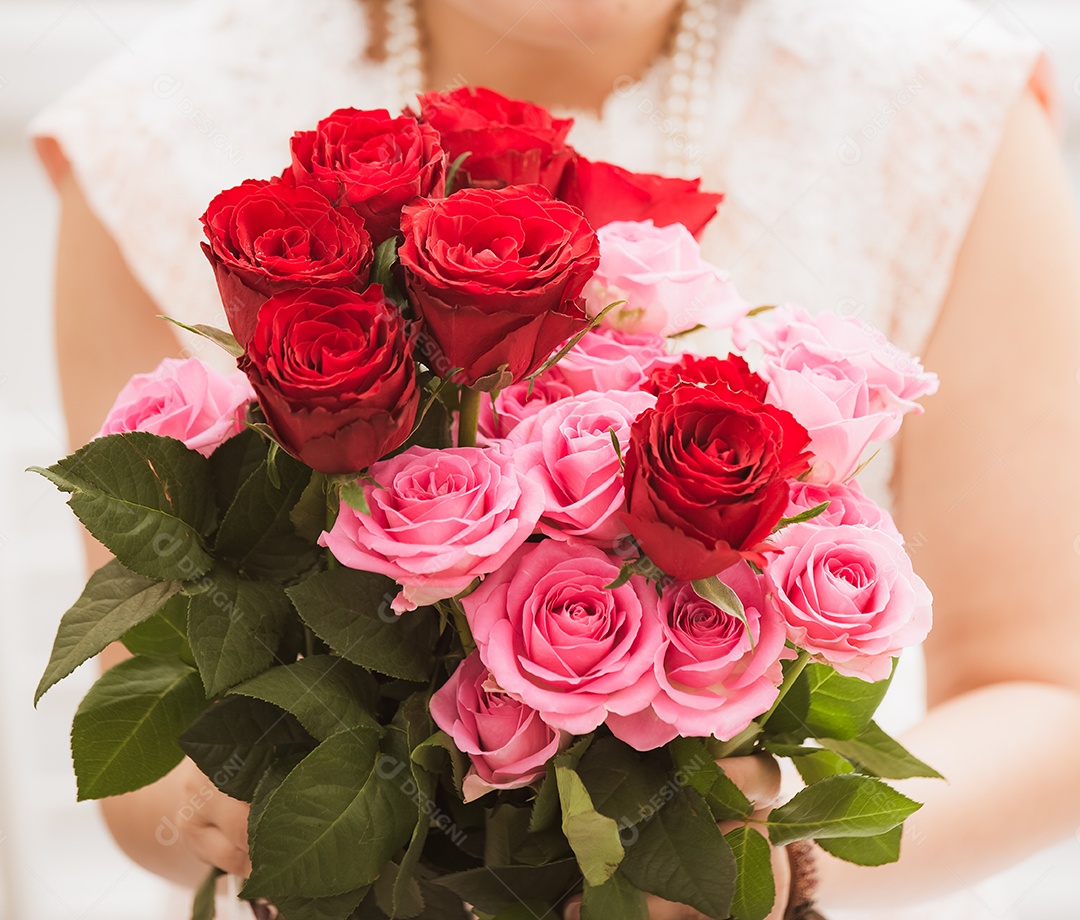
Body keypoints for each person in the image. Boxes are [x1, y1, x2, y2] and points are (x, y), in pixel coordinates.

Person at [31, 0, 1080, 917]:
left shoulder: (943, 104)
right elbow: (141, 722)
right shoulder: (156, 122)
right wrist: (222, 804)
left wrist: (767, 852)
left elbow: (1045, 692)